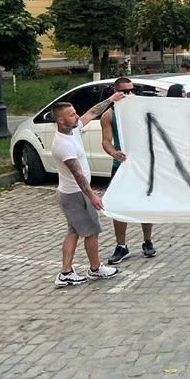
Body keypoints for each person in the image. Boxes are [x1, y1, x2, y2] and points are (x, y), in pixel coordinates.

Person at [51, 90, 125, 287]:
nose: (76, 116)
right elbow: (78, 175)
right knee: (91, 231)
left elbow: (91, 113)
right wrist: (92, 196)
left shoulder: (73, 129)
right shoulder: (62, 145)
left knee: (74, 231)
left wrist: (111, 99)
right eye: (72, 115)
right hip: (75, 194)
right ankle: (95, 268)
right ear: (61, 121)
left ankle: (66, 272)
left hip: (73, 193)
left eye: (75, 113)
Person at [102, 78, 156, 265]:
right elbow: (106, 141)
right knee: (118, 205)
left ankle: (147, 241)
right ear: (115, 92)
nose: (129, 95)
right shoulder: (109, 115)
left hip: (141, 165)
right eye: (124, 91)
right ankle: (121, 245)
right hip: (121, 166)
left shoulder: (141, 111)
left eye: (132, 91)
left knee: (145, 204)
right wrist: (113, 153)